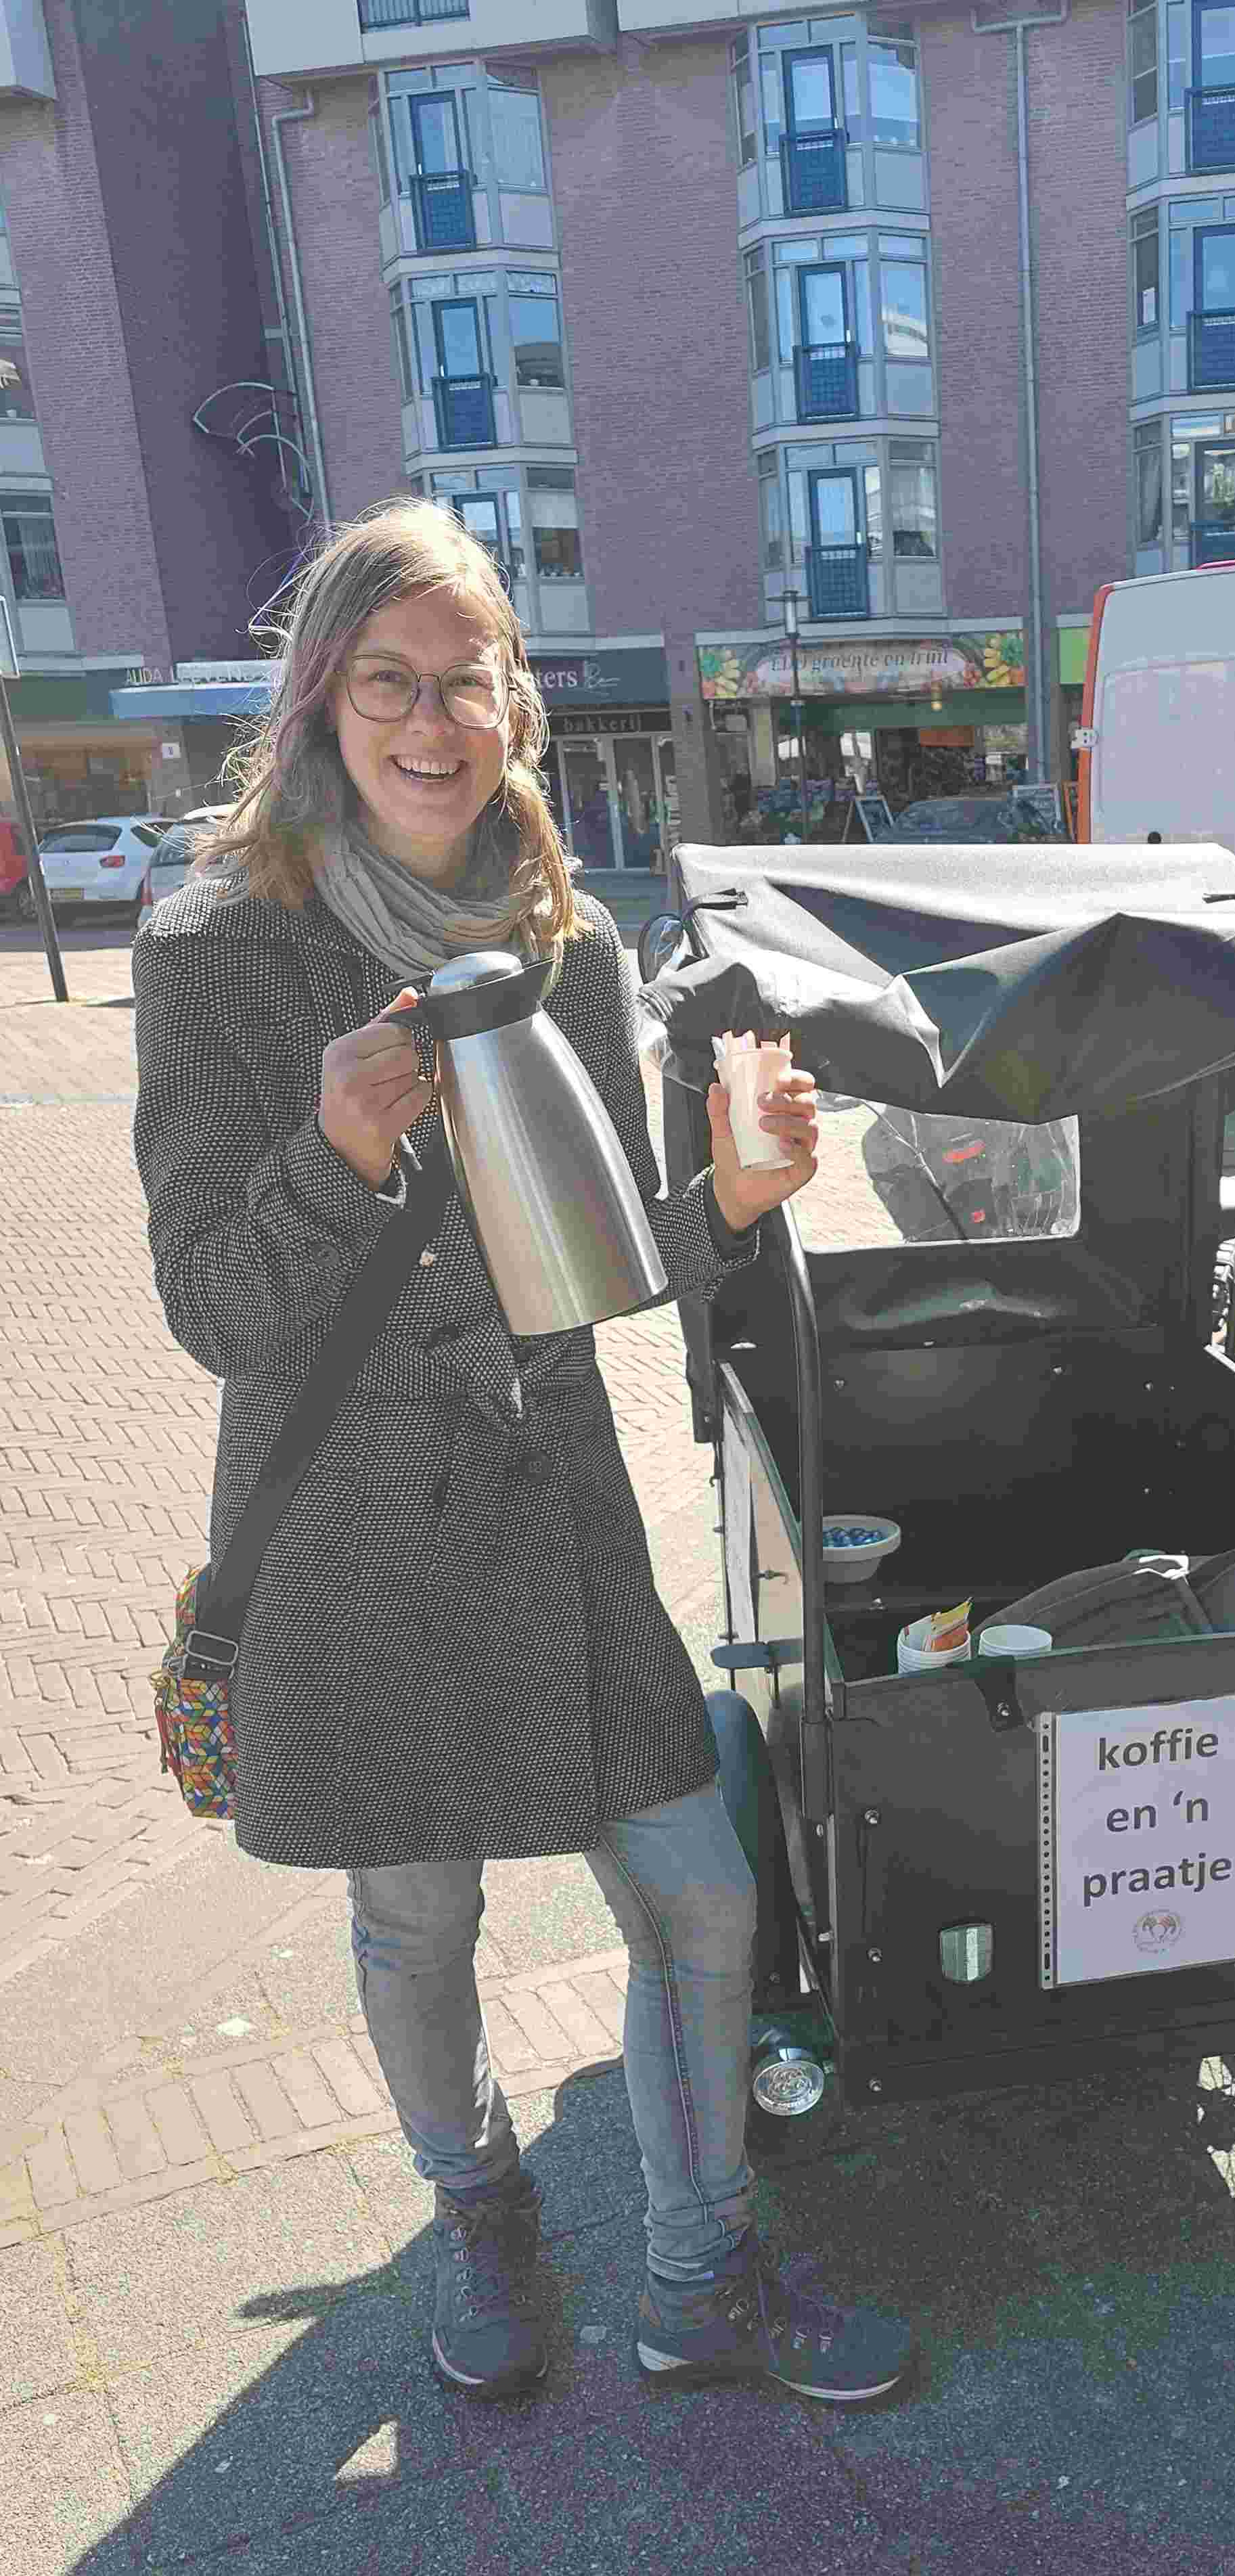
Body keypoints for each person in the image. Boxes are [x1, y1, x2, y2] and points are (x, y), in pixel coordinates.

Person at [133, 501, 914, 2408]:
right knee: (416, 1909)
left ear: (513, 705)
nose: (428, 718)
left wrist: (727, 1194)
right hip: (351, 1526)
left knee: (701, 1893)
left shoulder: (562, 946)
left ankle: (694, 2265)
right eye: (386, 680)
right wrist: (330, 1154)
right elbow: (216, 1313)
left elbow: (597, 1260)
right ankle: (476, 2199)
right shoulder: (220, 953)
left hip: (555, 1515)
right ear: (323, 702)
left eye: (460, 679)